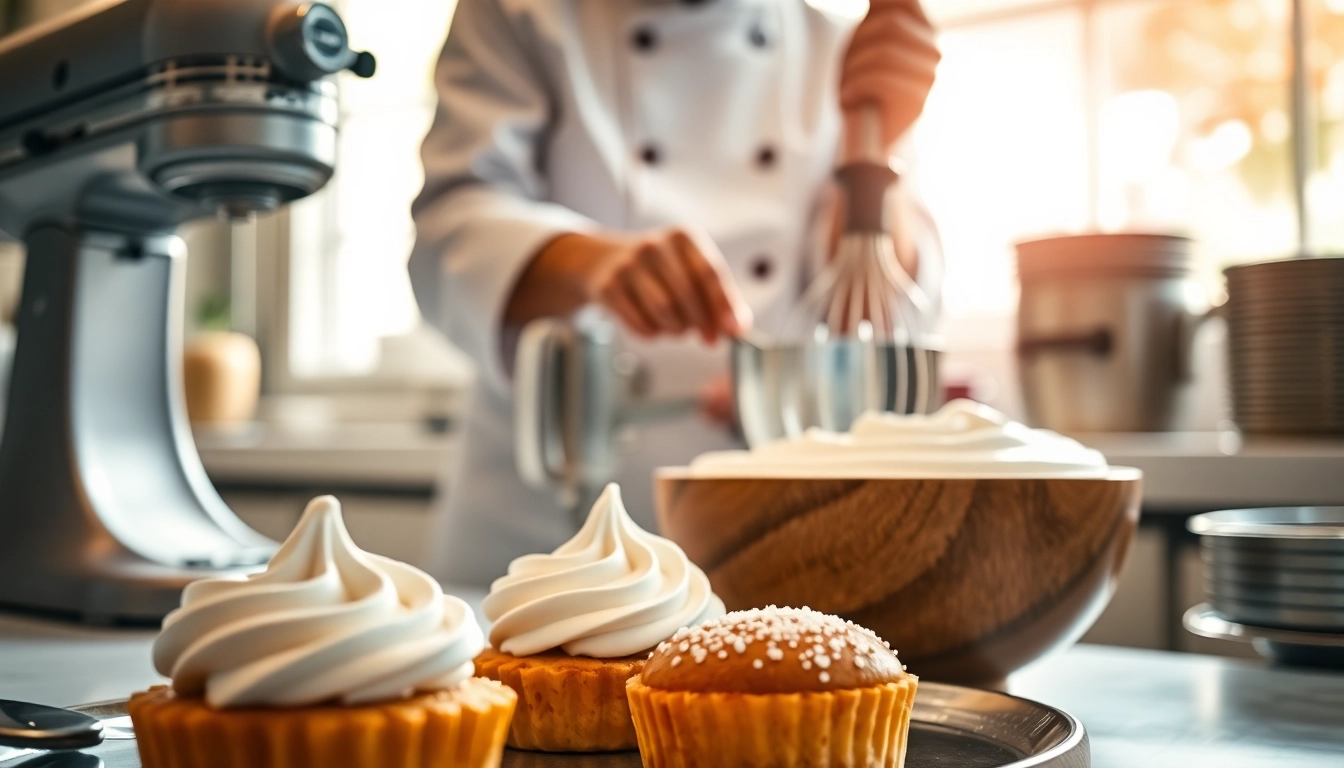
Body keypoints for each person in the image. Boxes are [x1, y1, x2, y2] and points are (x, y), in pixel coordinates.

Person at [410, 0, 941, 586]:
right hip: (543, 533)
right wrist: (596, 262)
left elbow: (873, 321)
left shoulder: (847, 57)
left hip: (763, 540)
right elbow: (448, 235)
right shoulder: (517, 12)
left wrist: (878, 147)